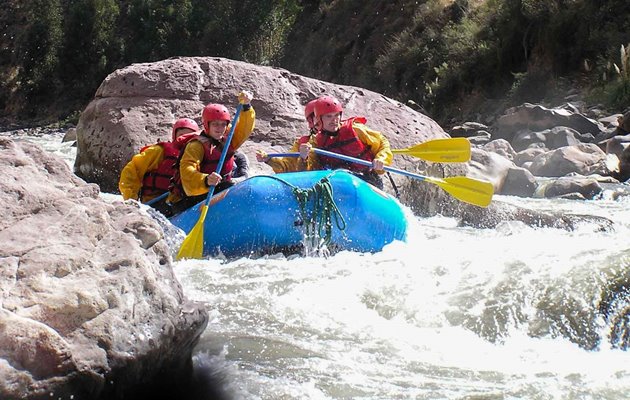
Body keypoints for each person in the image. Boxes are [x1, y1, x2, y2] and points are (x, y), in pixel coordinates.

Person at [168, 91, 255, 215]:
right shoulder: (195, 146)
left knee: (233, 186)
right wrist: (206, 180)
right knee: (227, 187)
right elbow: (187, 171)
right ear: (206, 124)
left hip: (217, 190)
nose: (219, 128)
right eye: (215, 124)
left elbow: (244, 129)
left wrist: (247, 106)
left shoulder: (228, 140)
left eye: (223, 124)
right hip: (189, 199)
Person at [297, 95, 393, 189]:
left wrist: (381, 159)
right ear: (319, 119)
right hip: (339, 183)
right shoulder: (316, 142)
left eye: (337, 115)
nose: (334, 120)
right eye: (329, 116)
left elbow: (382, 143)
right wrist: (303, 158)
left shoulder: (356, 129)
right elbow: (309, 171)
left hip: (368, 180)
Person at [118, 117, 200, 214]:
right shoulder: (159, 151)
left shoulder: (197, 155)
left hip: (180, 202)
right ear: (174, 135)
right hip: (155, 204)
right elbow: (131, 171)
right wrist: (131, 199)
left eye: (190, 136)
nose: (185, 139)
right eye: (182, 135)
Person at [256, 97, 322, 172]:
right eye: (310, 122)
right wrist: (269, 159)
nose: (309, 126)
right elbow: (286, 168)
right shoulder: (303, 142)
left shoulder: (337, 139)